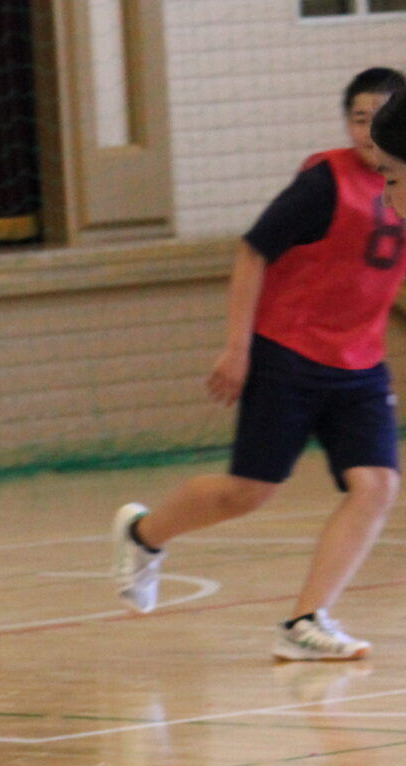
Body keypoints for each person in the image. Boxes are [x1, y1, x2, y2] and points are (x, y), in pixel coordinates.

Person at [111, 68, 406, 660]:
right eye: (361, 118)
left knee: (376, 485)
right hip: (291, 353)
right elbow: (253, 251)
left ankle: (306, 619)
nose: (371, 135)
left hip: (360, 361)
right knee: (247, 491)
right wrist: (238, 347)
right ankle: (142, 535)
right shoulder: (327, 184)